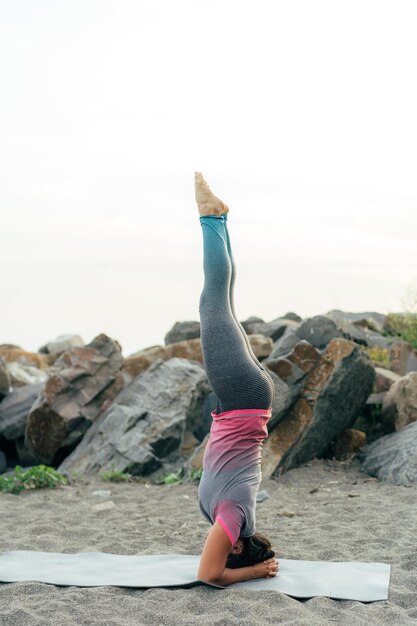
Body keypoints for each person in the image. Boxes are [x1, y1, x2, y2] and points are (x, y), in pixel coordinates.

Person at [195, 172, 279, 586]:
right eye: (229, 551)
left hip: (245, 399)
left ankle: (220, 220)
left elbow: (214, 563)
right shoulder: (234, 516)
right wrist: (255, 572)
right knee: (213, 301)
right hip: (243, 397)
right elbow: (210, 576)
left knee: (219, 302)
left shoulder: (227, 517)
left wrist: (253, 566)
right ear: (238, 547)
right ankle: (210, 218)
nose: (217, 543)